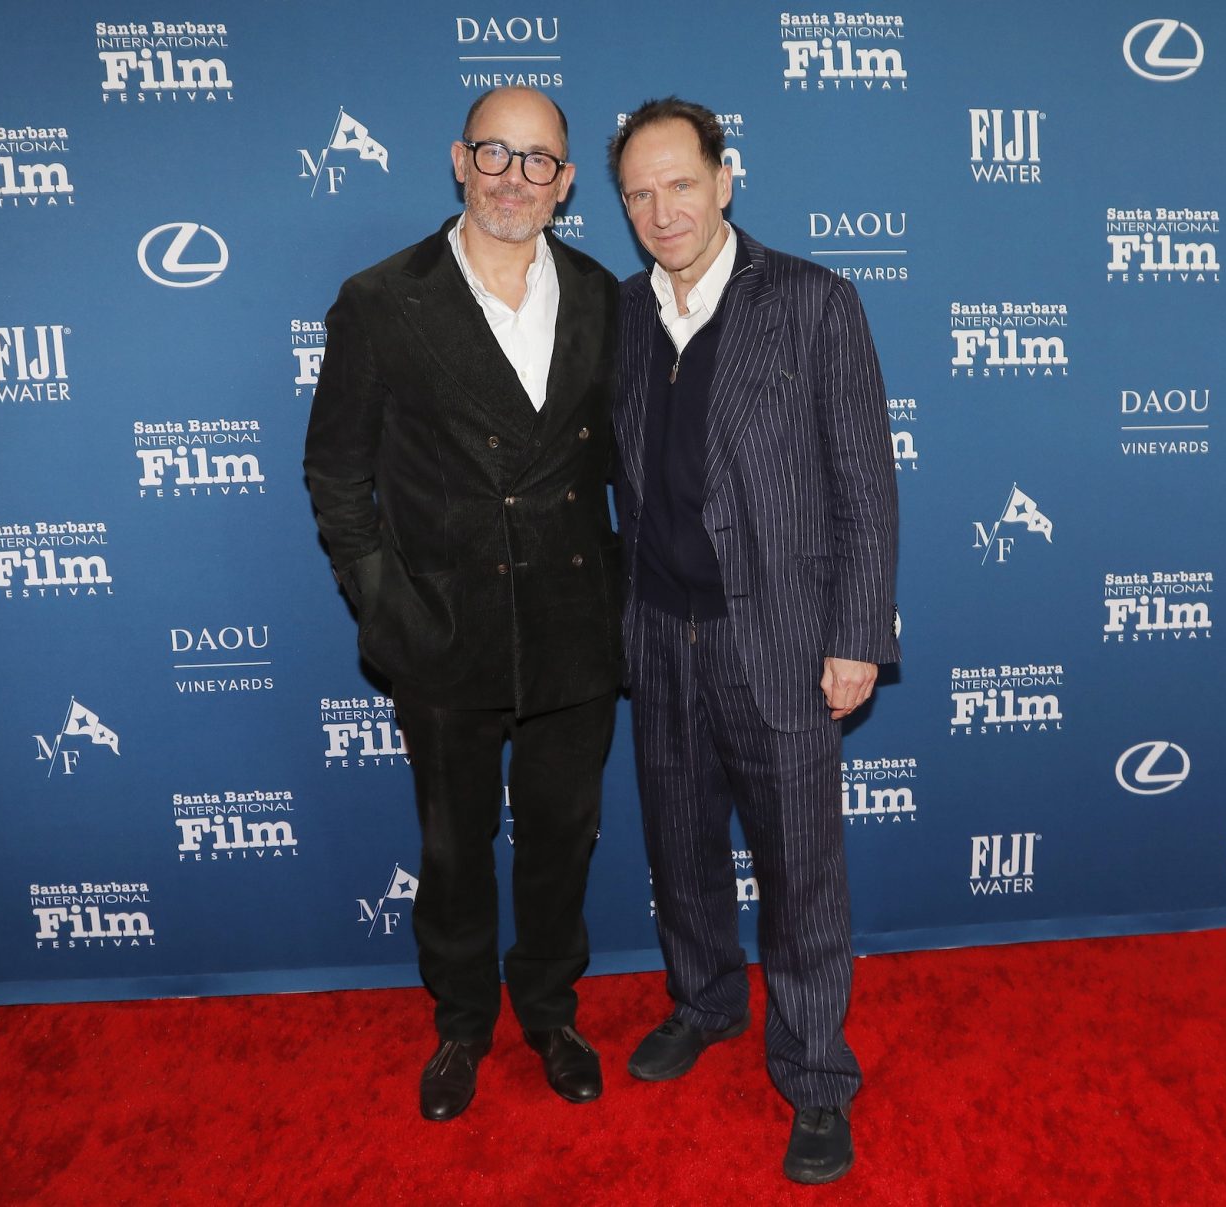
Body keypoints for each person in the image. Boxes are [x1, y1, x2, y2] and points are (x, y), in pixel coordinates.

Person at [303, 86, 622, 1123]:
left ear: (566, 183)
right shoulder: (381, 298)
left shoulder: (602, 294)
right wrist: (385, 603)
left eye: (538, 161)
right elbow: (336, 474)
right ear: (457, 159)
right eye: (495, 152)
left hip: (575, 626)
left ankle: (548, 1009)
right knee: (452, 845)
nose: (513, 177)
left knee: (563, 834)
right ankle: (462, 1023)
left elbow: (633, 463)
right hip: (442, 633)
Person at [607, 98, 900, 1184]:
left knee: (802, 875)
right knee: (679, 851)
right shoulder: (626, 314)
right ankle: (704, 1002)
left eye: (681, 183)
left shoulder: (815, 300)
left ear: (726, 181)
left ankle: (817, 1073)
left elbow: (866, 484)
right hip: (660, 629)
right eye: (639, 192)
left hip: (776, 636)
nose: (661, 209)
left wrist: (858, 632)